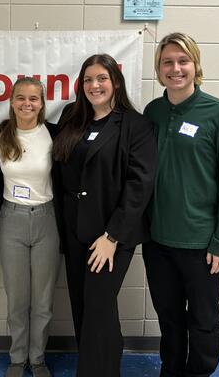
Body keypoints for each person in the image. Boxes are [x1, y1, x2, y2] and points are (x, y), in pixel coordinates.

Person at [143, 32, 219, 377]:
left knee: (202, 322)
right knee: (169, 319)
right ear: (159, 69)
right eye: (167, 62)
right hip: (158, 241)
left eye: (183, 61)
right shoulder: (153, 112)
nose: (176, 68)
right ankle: (171, 371)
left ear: (196, 66)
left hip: (201, 245)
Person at [53, 54, 157, 377]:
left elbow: (140, 185)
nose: (94, 85)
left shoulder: (135, 125)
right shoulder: (73, 117)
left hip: (110, 236)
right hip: (74, 231)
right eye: (88, 80)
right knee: (85, 308)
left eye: (101, 79)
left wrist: (112, 237)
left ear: (115, 82)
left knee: (98, 307)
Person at [0, 78, 63, 377]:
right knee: (17, 298)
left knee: (43, 300)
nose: (27, 104)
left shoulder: (54, 134)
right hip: (12, 220)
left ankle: (38, 358)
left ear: (42, 103)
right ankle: (18, 358)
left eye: (33, 98)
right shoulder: (0, 134)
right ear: (12, 100)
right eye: (20, 98)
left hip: (47, 219)